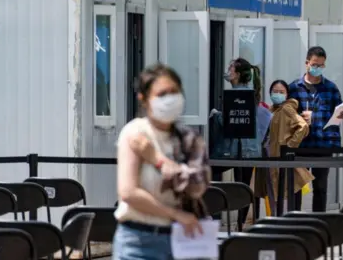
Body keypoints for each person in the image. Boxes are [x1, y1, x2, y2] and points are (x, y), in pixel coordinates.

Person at [113, 64, 211, 260]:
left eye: (174, 92)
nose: (169, 99)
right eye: (162, 94)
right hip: (139, 242)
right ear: (144, 99)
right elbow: (129, 193)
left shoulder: (189, 138)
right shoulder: (136, 134)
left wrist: (158, 160)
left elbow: (197, 186)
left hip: (185, 241)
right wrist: (175, 214)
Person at [210, 58, 271, 225]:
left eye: (231, 68)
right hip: (250, 150)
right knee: (243, 186)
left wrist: (215, 115)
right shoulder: (251, 93)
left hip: (236, 149)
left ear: (237, 74)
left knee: (214, 174)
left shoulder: (238, 94)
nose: (228, 71)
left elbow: (229, 122)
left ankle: (216, 214)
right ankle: (240, 225)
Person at [288, 46, 343, 212]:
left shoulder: (331, 88)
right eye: (315, 64)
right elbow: (286, 116)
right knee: (296, 187)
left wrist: (342, 114)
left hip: (323, 144)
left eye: (321, 65)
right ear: (307, 63)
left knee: (321, 187)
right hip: (300, 145)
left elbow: (338, 111)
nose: (317, 68)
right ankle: (294, 221)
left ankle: (318, 221)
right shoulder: (293, 88)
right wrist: (300, 118)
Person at [254, 80, 314, 211]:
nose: (277, 94)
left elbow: (303, 126)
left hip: (279, 155)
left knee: (282, 191)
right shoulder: (271, 110)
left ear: (287, 94)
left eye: (281, 92)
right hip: (269, 155)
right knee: (273, 191)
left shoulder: (286, 108)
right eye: (275, 91)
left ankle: (283, 222)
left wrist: (290, 145)